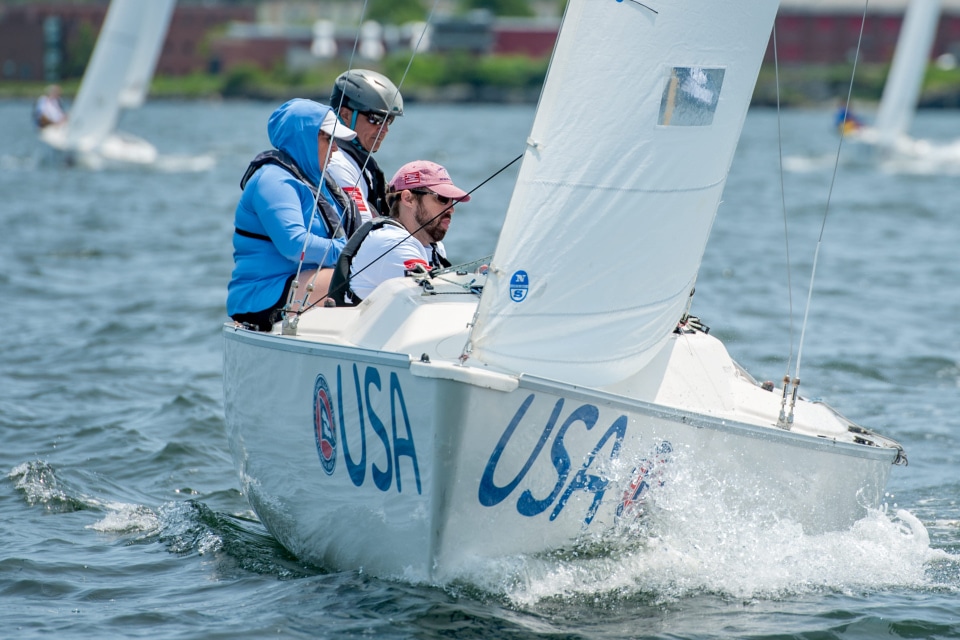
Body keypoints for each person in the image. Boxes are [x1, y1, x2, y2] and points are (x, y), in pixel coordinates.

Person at [227, 98, 361, 331]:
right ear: (304, 138)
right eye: (328, 138)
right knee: (365, 282)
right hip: (263, 295)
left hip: (304, 285)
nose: (336, 149)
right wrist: (353, 253)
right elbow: (294, 245)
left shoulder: (319, 181)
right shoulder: (273, 180)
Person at [328, 160, 470, 306]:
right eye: (442, 199)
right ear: (408, 199)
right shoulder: (390, 242)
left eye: (452, 200)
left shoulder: (434, 247)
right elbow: (435, 302)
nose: (451, 208)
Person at [327, 69, 404, 222]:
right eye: (376, 118)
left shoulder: (359, 163)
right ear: (345, 115)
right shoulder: (336, 162)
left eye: (389, 120)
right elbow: (362, 224)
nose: (385, 129)